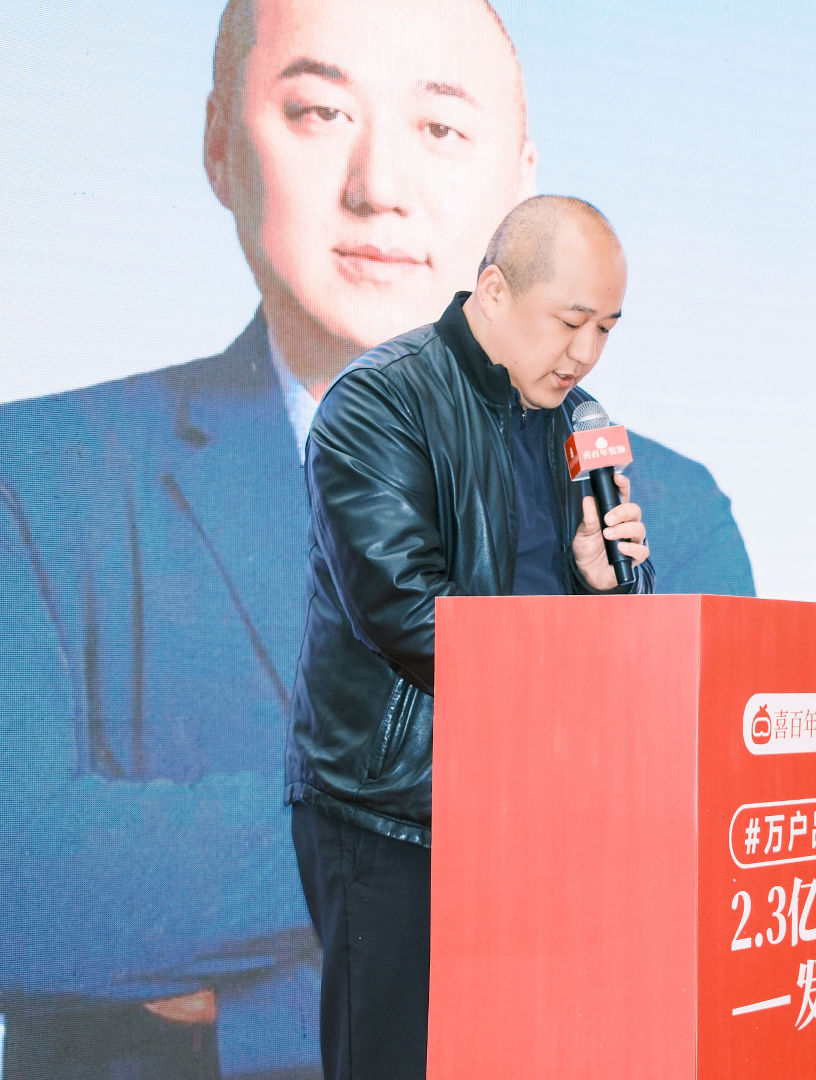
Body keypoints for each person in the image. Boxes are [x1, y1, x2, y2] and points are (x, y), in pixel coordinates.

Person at [0, 1, 750, 1077]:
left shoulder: (662, 506)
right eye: (319, 112)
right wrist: (516, 795)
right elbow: (23, 884)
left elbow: (696, 890)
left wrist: (250, 999)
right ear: (219, 142)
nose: (379, 187)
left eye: (440, 128)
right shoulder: (37, 476)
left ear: (519, 186)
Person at [287, 194, 648, 1080]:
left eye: (606, 329)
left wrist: (604, 586)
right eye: (570, 322)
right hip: (396, 813)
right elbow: (408, 614)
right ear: (493, 291)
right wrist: (563, 664)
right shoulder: (382, 401)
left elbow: (614, 646)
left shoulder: (580, 423)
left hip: (536, 810)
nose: (586, 353)